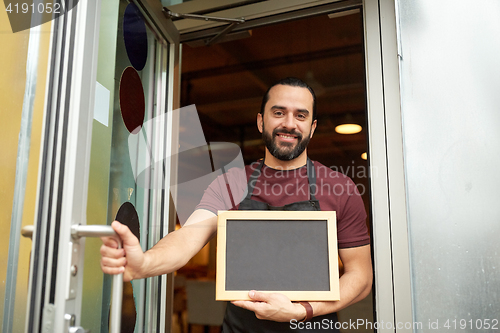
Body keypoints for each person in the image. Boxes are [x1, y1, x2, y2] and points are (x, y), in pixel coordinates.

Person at [100, 77, 372, 332]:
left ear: (312, 127)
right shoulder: (231, 183)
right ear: (260, 122)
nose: (289, 123)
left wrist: (302, 310)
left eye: (301, 115)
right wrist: (145, 263)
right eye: (278, 113)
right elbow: (187, 238)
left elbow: (360, 276)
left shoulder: (340, 188)